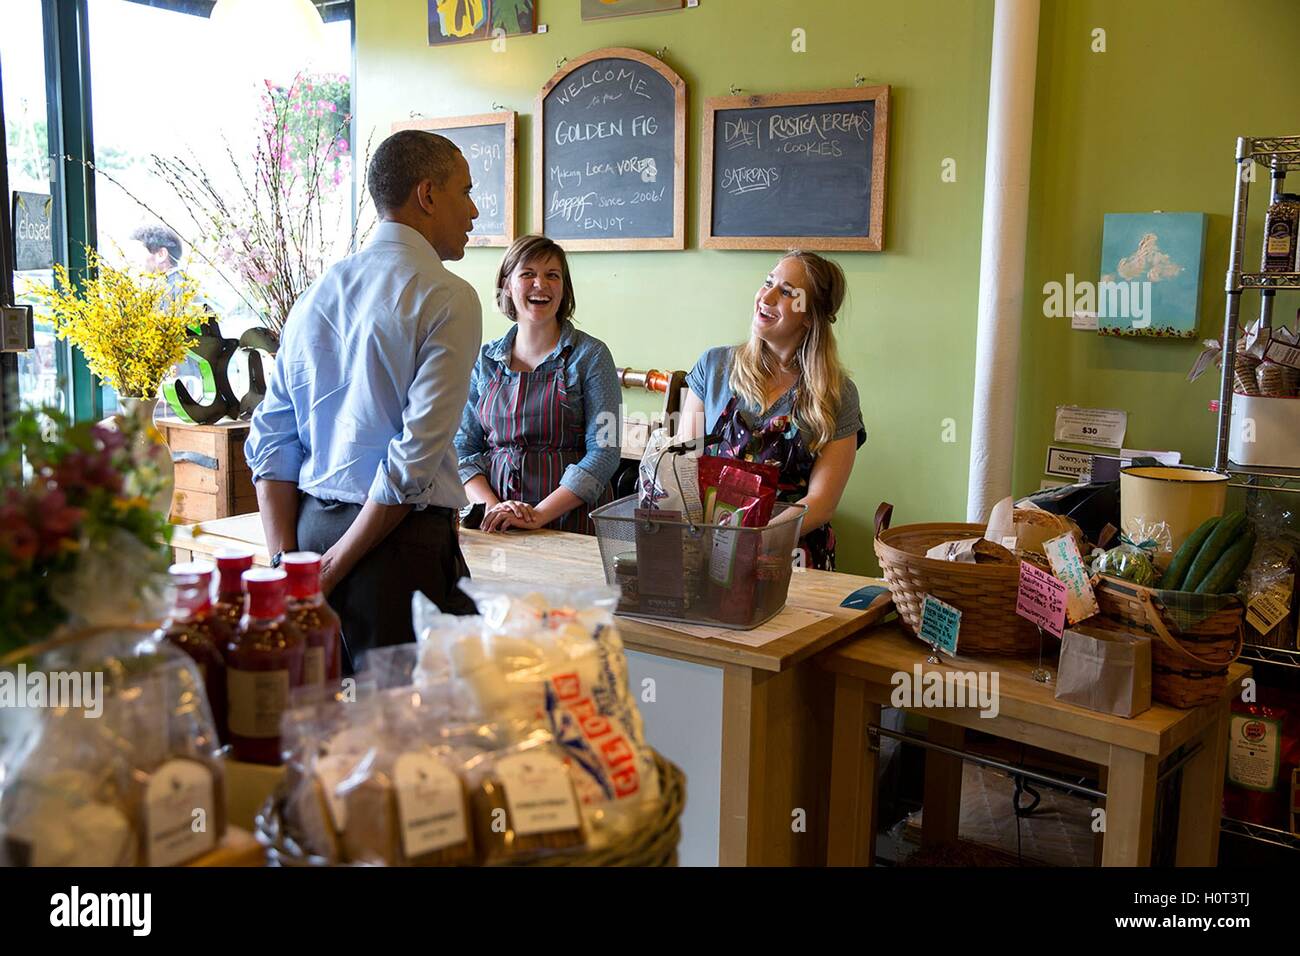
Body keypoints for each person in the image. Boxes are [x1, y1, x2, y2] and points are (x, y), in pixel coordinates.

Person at [245, 129, 482, 670]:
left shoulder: (317, 292)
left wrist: (289, 564)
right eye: (464, 191)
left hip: (309, 533)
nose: (472, 210)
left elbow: (271, 439)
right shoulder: (449, 296)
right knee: (408, 739)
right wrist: (330, 569)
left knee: (324, 724)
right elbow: (412, 460)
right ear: (427, 195)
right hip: (394, 549)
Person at [676, 249, 865, 572]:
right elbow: (683, 461)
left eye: (788, 292)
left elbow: (821, 503)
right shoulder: (715, 366)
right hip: (707, 546)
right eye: (768, 282)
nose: (767, 295)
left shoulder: (836, 395)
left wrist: (753, 540)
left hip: (789, 556)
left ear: (810, 317)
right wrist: (710, 542)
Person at [455, 234, 621, 535]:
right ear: (507, 284)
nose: (540, 285)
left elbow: (605, 451)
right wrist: (494, 508)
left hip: (572, 525)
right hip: (495, 525)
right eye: (528, 274)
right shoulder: (485, 360)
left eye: (552, 276)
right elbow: (461, 447)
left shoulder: (592, 356)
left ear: (564, 288)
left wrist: (537, 515)